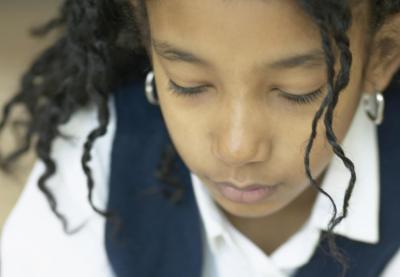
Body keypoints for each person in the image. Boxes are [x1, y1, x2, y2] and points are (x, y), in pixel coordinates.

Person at [0, 0, 399, 276]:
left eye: (298, 90)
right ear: (146, 34)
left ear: (382, 55)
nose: (237, 147)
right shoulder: (97, 157)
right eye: (189, 85)